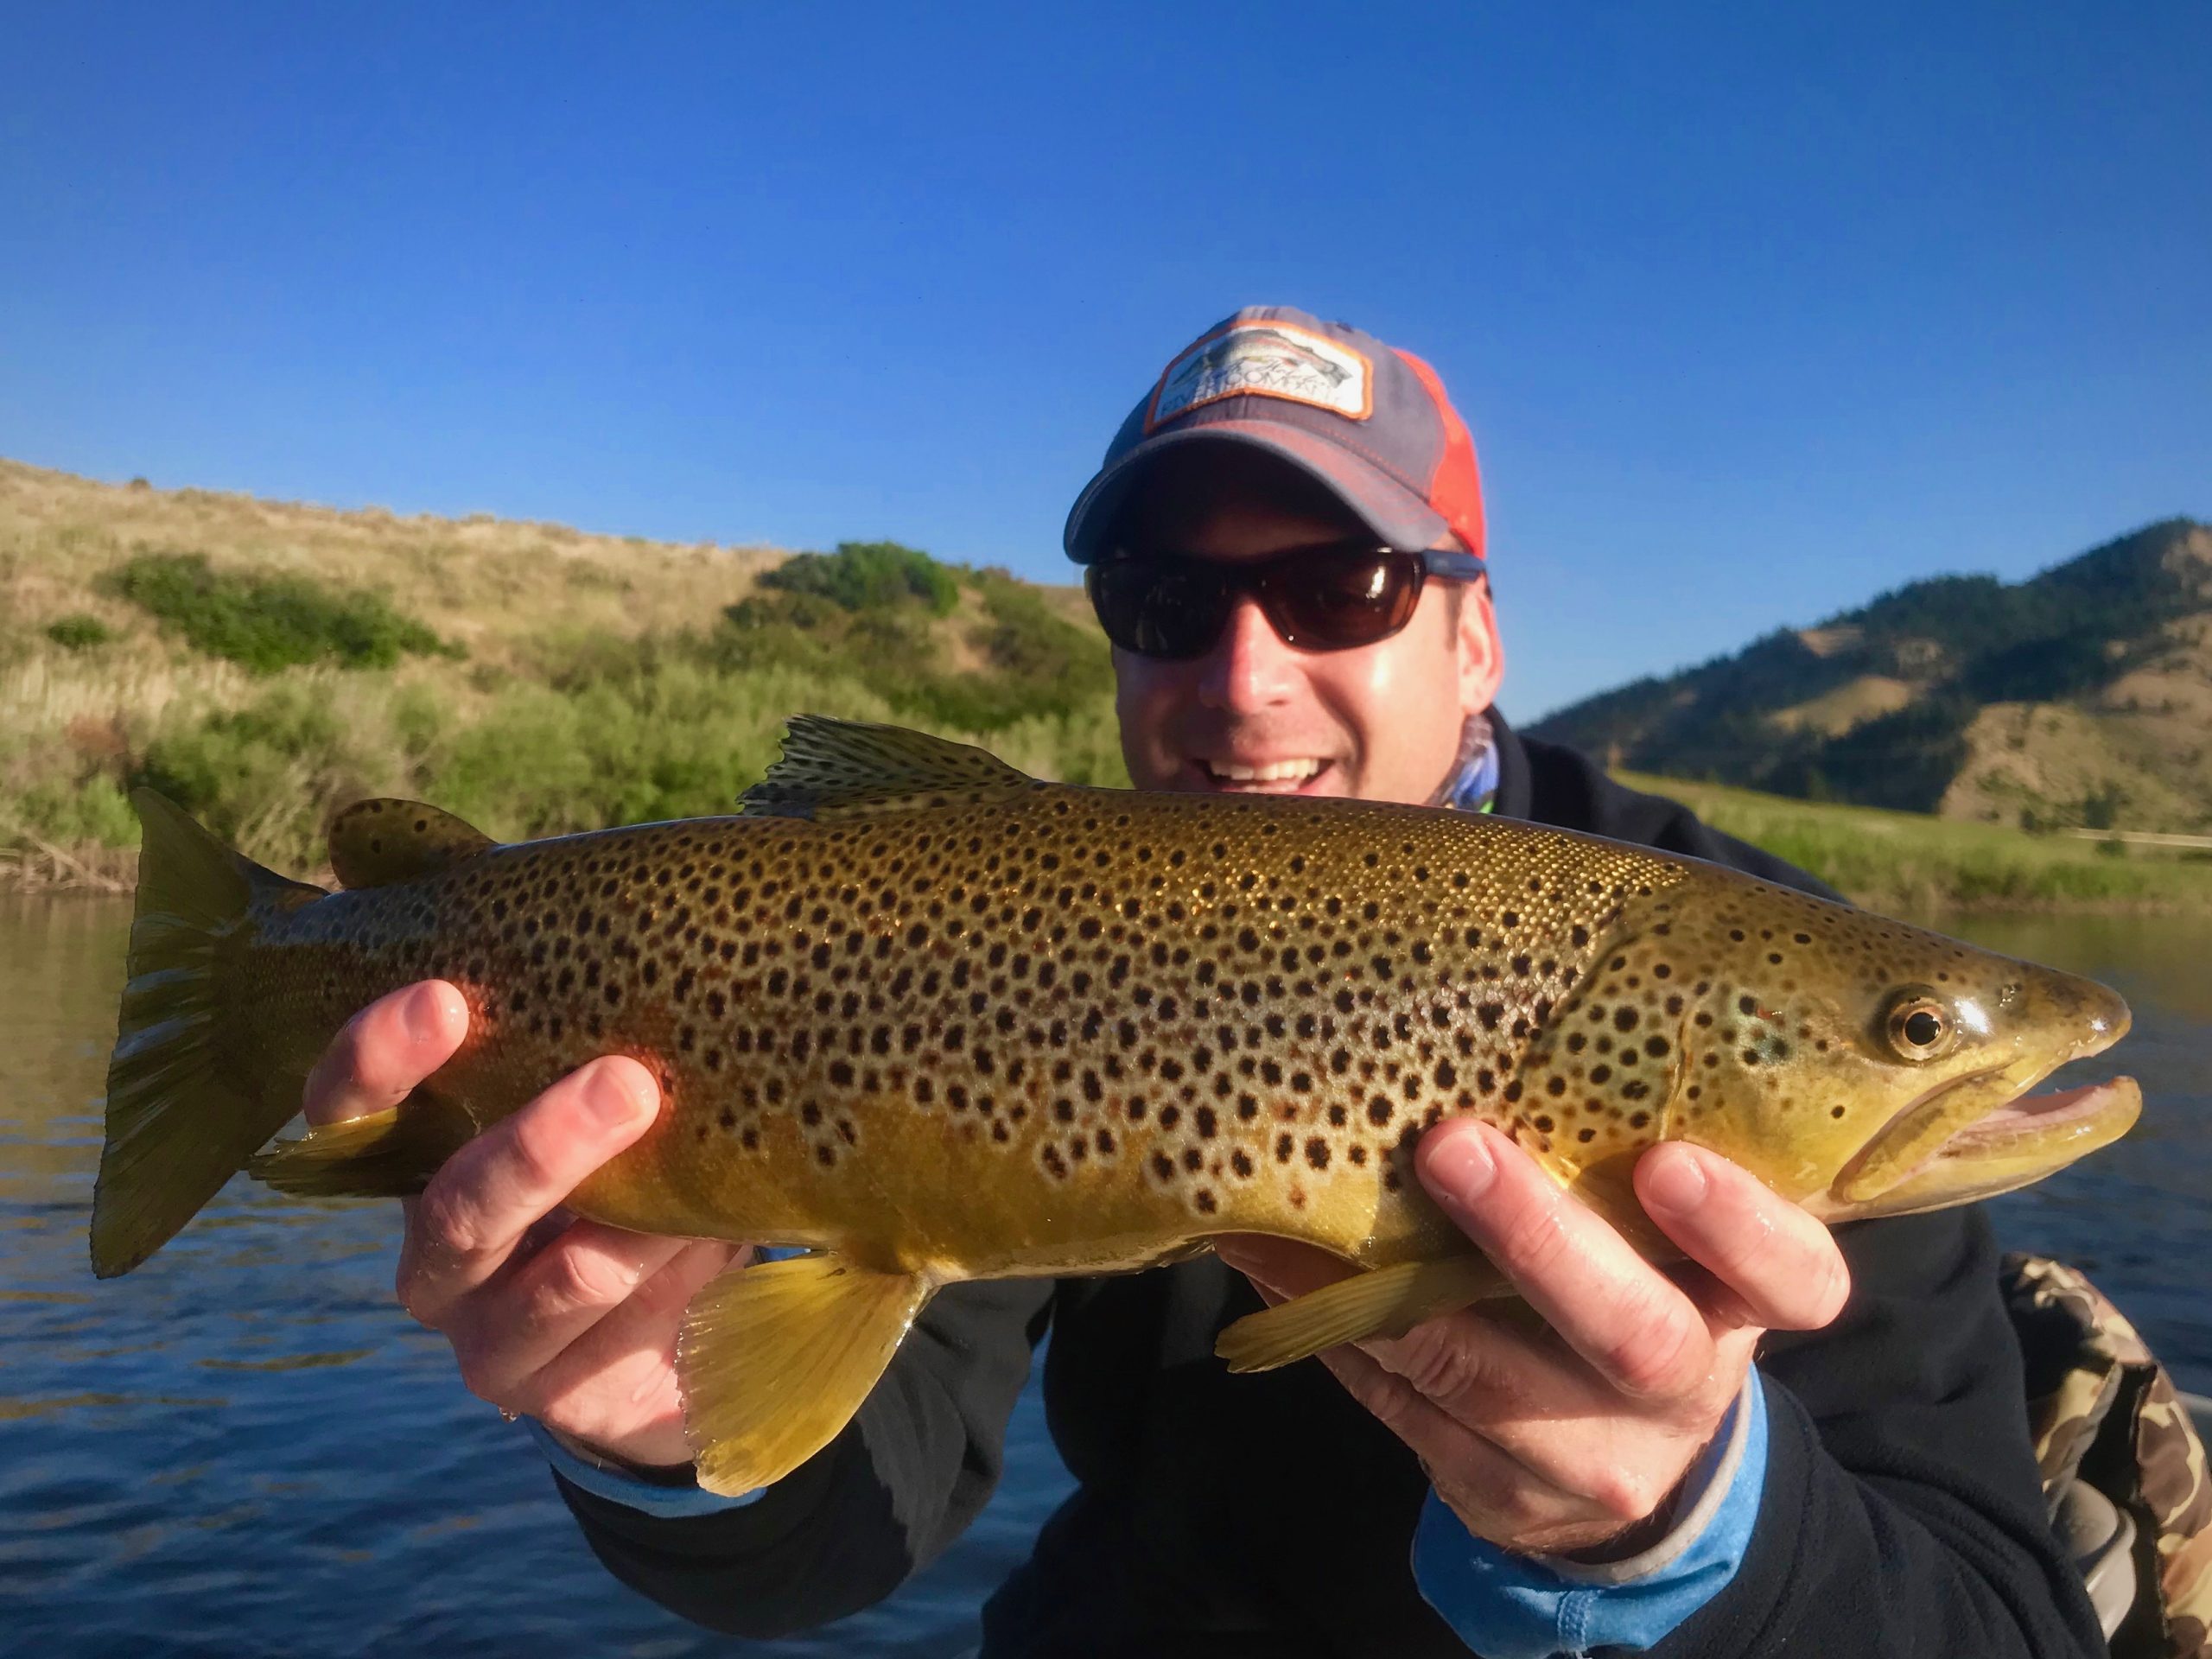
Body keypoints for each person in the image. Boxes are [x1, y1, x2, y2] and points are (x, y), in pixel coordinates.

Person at [302, 307, 2108, 1656]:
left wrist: (1686, 1526)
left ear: (1475, 637)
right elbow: (851, 1525)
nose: (1238, 680)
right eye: (1165, 602)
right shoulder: (1029, 927)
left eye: (1340, 584)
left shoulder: (1768, 970)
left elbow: (1989, 1620)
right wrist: (654, 1432)